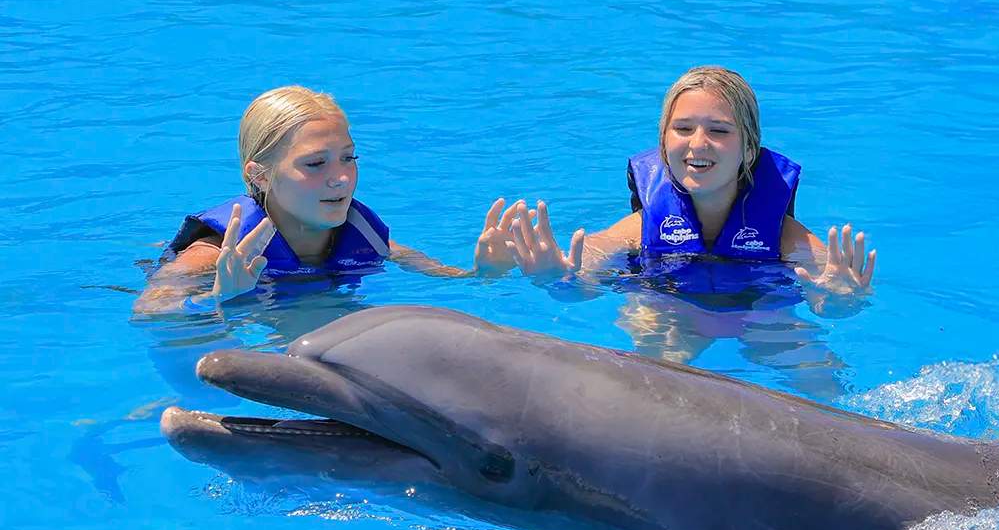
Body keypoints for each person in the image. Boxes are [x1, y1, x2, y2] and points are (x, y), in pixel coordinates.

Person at [134, 85, 523, 315]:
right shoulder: (213, 256)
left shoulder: (369, 241)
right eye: (315, 163)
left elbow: (454, 284)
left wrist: (489, 273)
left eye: (349, 158)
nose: (340, 178)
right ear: (259, 175)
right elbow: (150, 312)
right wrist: (219, 297)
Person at [504, 66, 876, 297]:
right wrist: (555, 279)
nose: (698, 144)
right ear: (664, 142)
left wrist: (841, 301)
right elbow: (582, 280)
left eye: (719, 130)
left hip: (758, 312)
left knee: (815, 369)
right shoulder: (638, 230)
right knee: (651, 328)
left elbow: (828, 291)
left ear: (750, 150)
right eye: (682, 128)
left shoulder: (785, 238)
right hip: (667, 309)